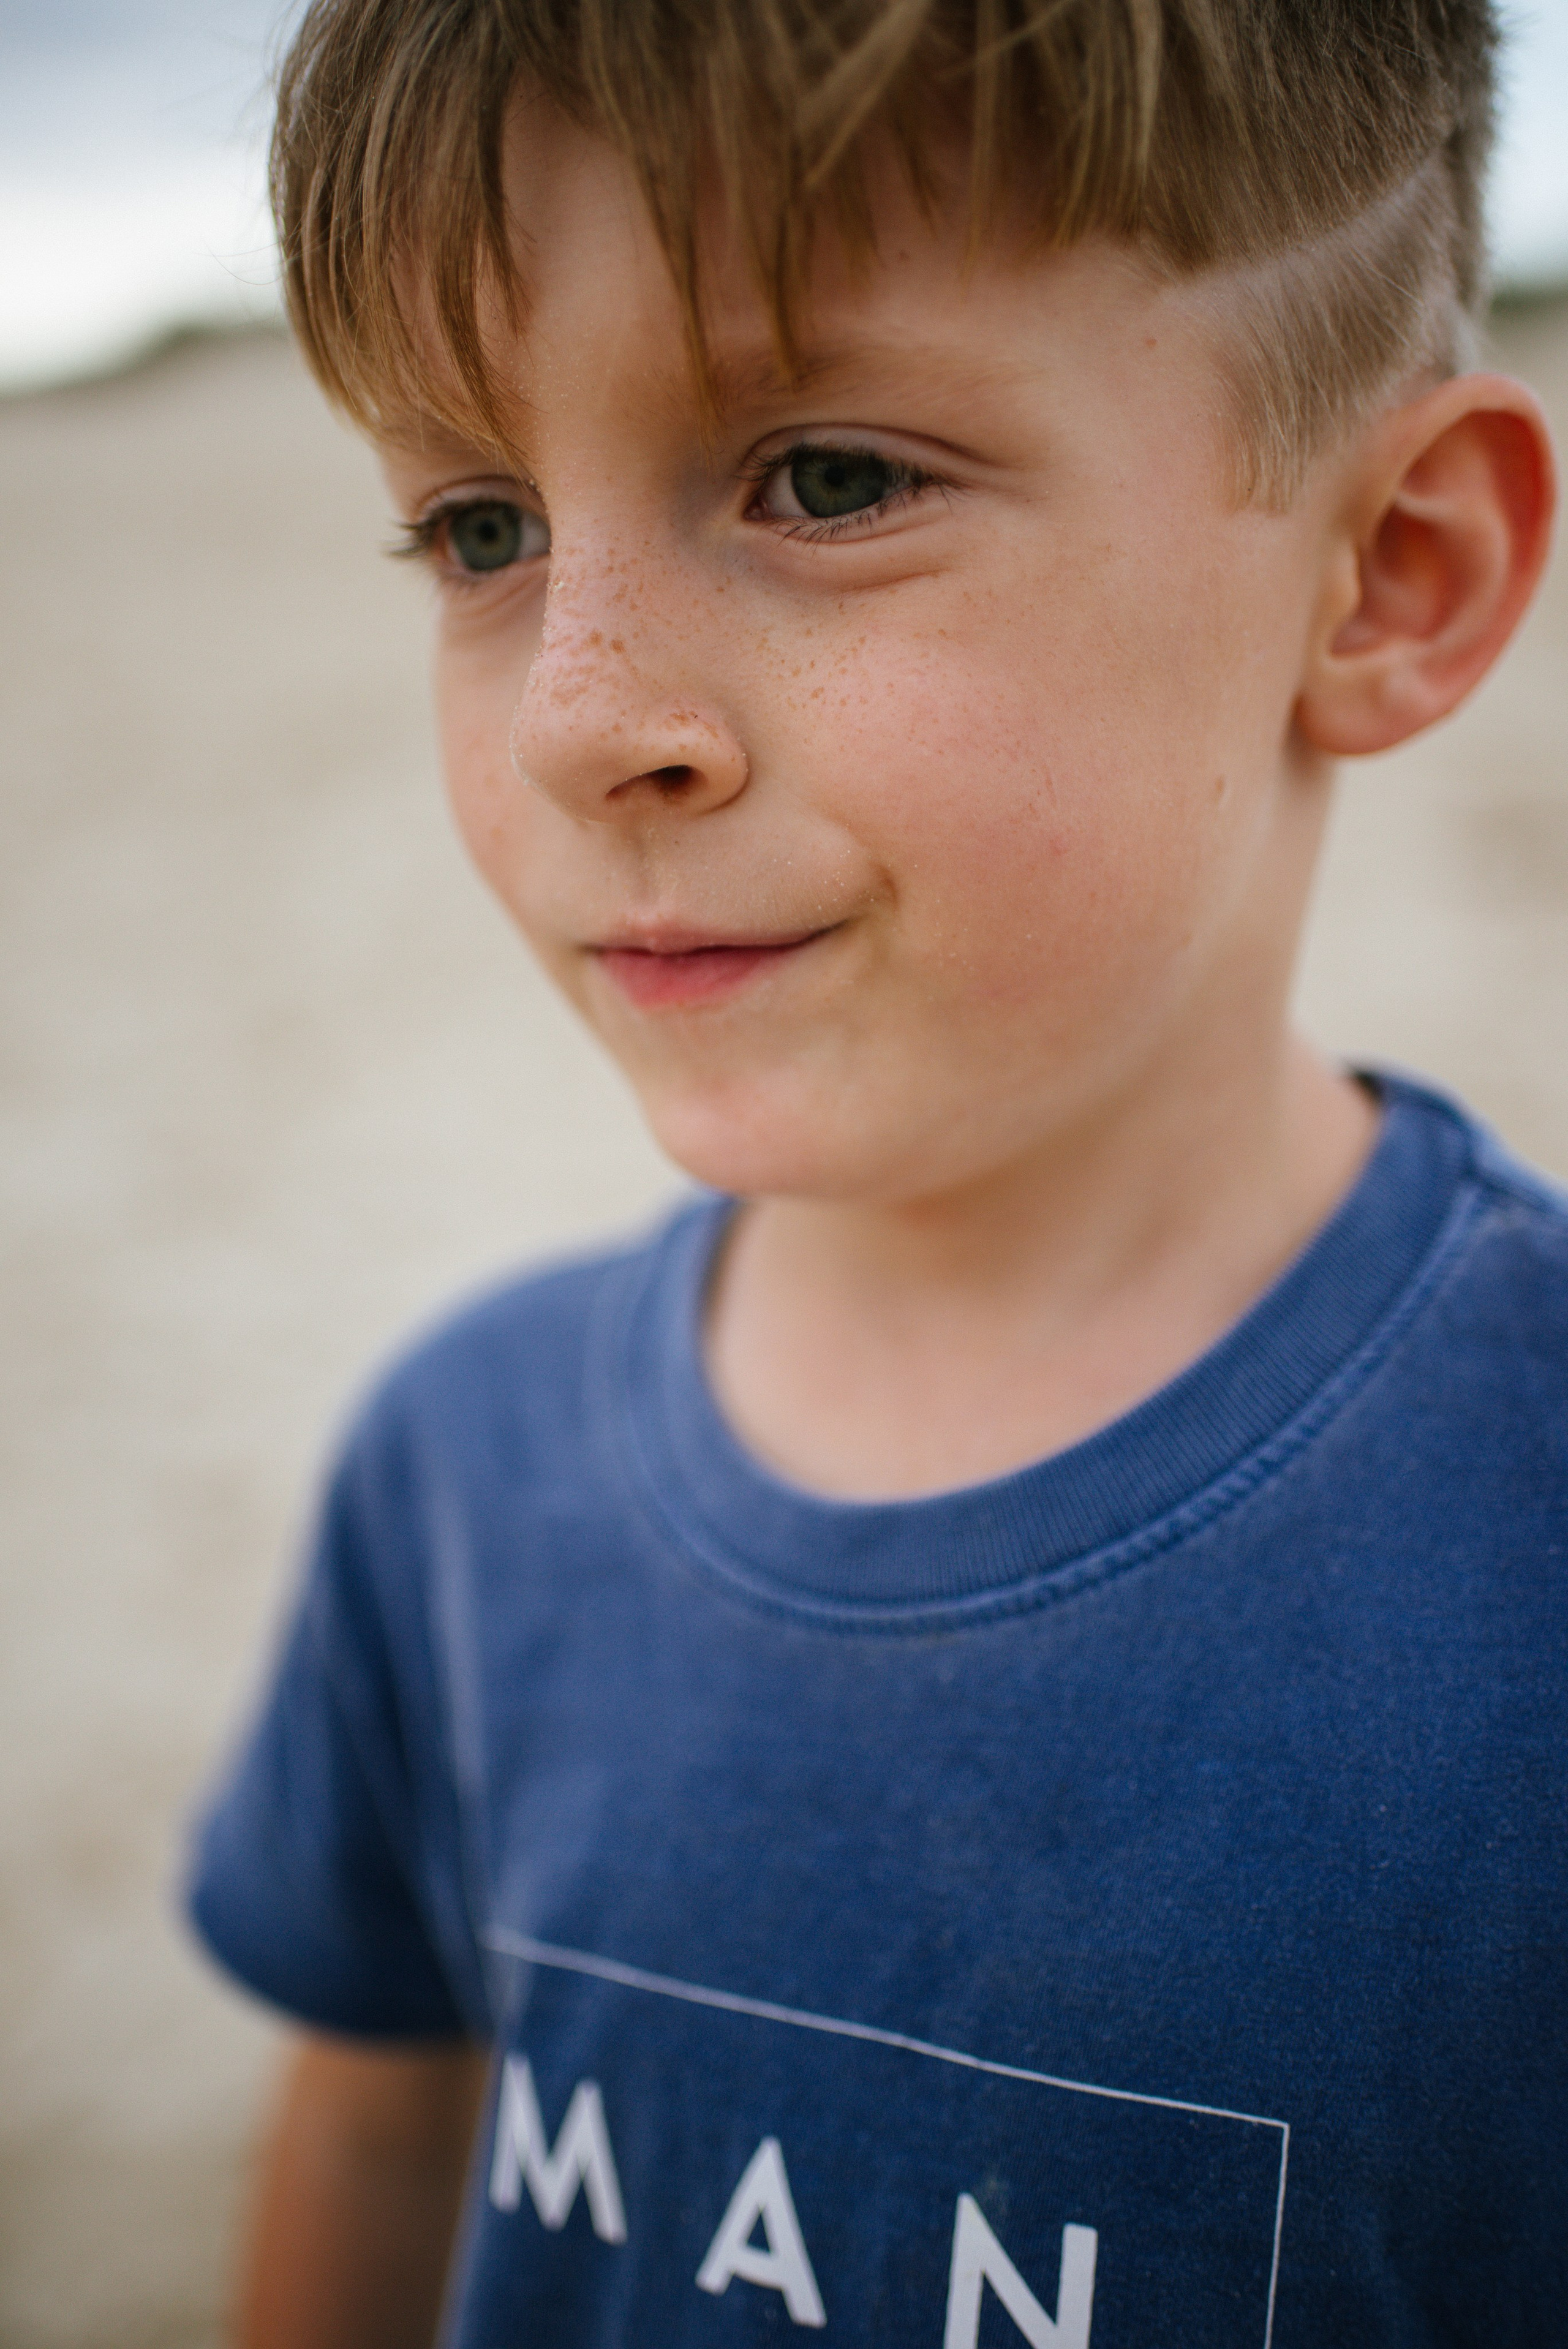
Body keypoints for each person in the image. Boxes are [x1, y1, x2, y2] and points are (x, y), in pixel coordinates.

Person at [186, 1, 1564, 2342]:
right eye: (483, 528)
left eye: (825, 480)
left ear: (1392, 574)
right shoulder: (458, 1471)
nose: (581, 710)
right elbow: (383, 2130)